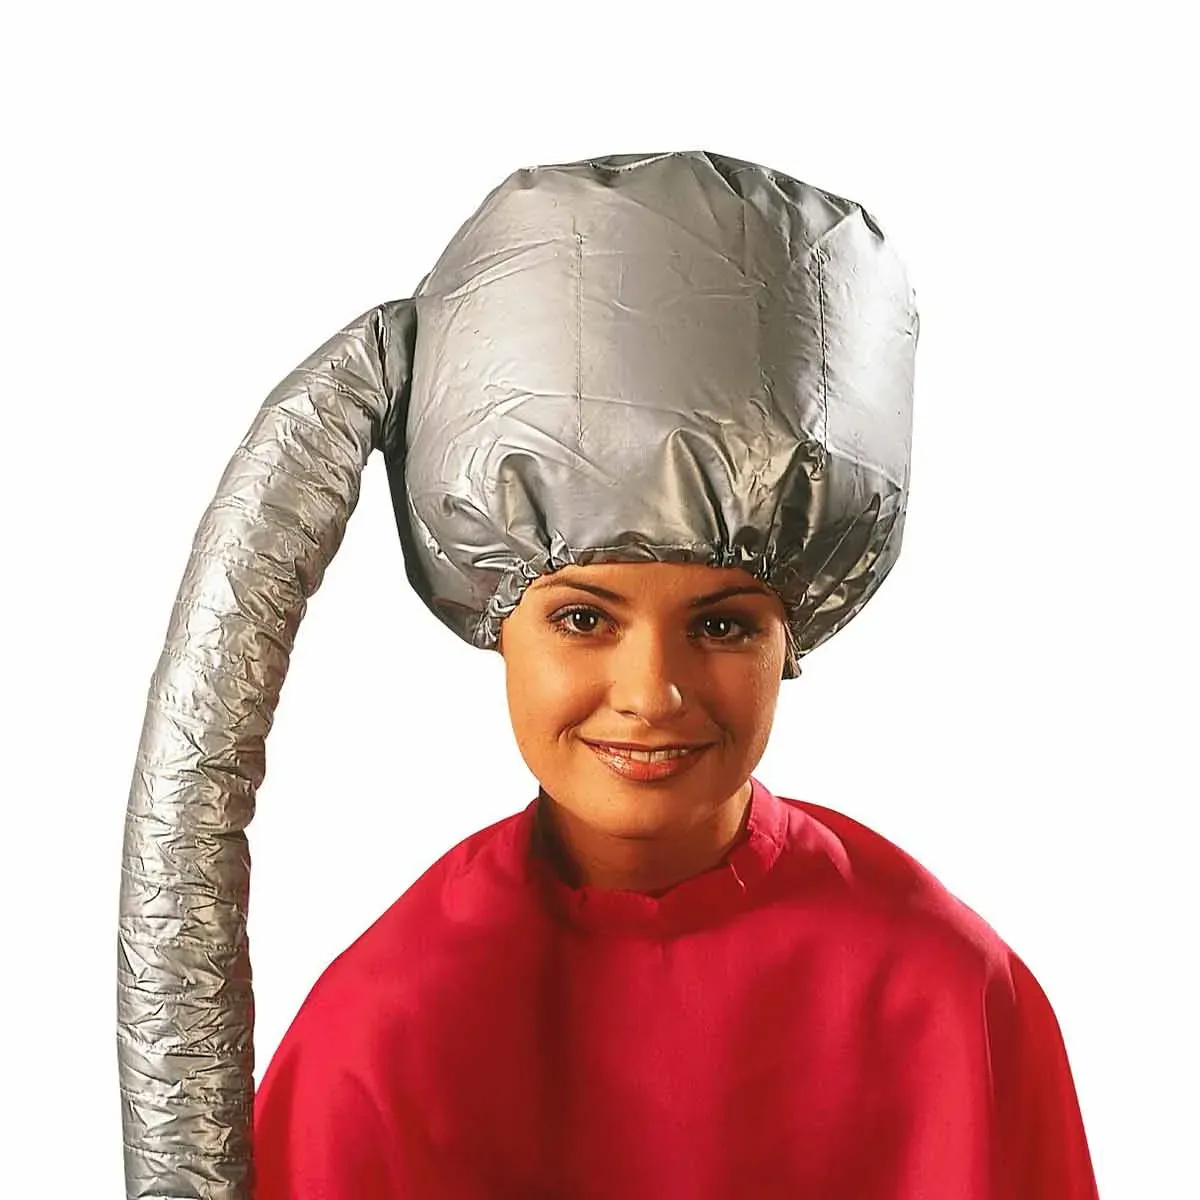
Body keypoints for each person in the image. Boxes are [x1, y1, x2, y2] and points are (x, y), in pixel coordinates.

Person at [117, 150, 1099, 1199]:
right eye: (584, 618)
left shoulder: (946, 997)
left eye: (722, 624)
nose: (651, 692)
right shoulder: (389, 1025)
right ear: (492, 617)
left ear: (798, 632)